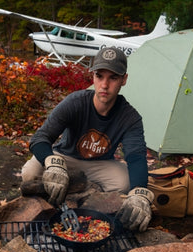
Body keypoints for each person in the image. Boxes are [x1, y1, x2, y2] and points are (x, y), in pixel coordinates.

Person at [21, 46, 154, 232]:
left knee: (126, 182)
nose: (104, 85)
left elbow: (136, 157)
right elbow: (40, 138)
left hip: (99, 164)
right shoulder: (75, 102)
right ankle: (61, 196)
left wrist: (140, 195)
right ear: (93, 76)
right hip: (65, 158)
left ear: (124, 80)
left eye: (113, 78)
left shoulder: (130, 117)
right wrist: (53, 162)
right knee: (29, 173)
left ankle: (85, 193)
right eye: (100, 76)